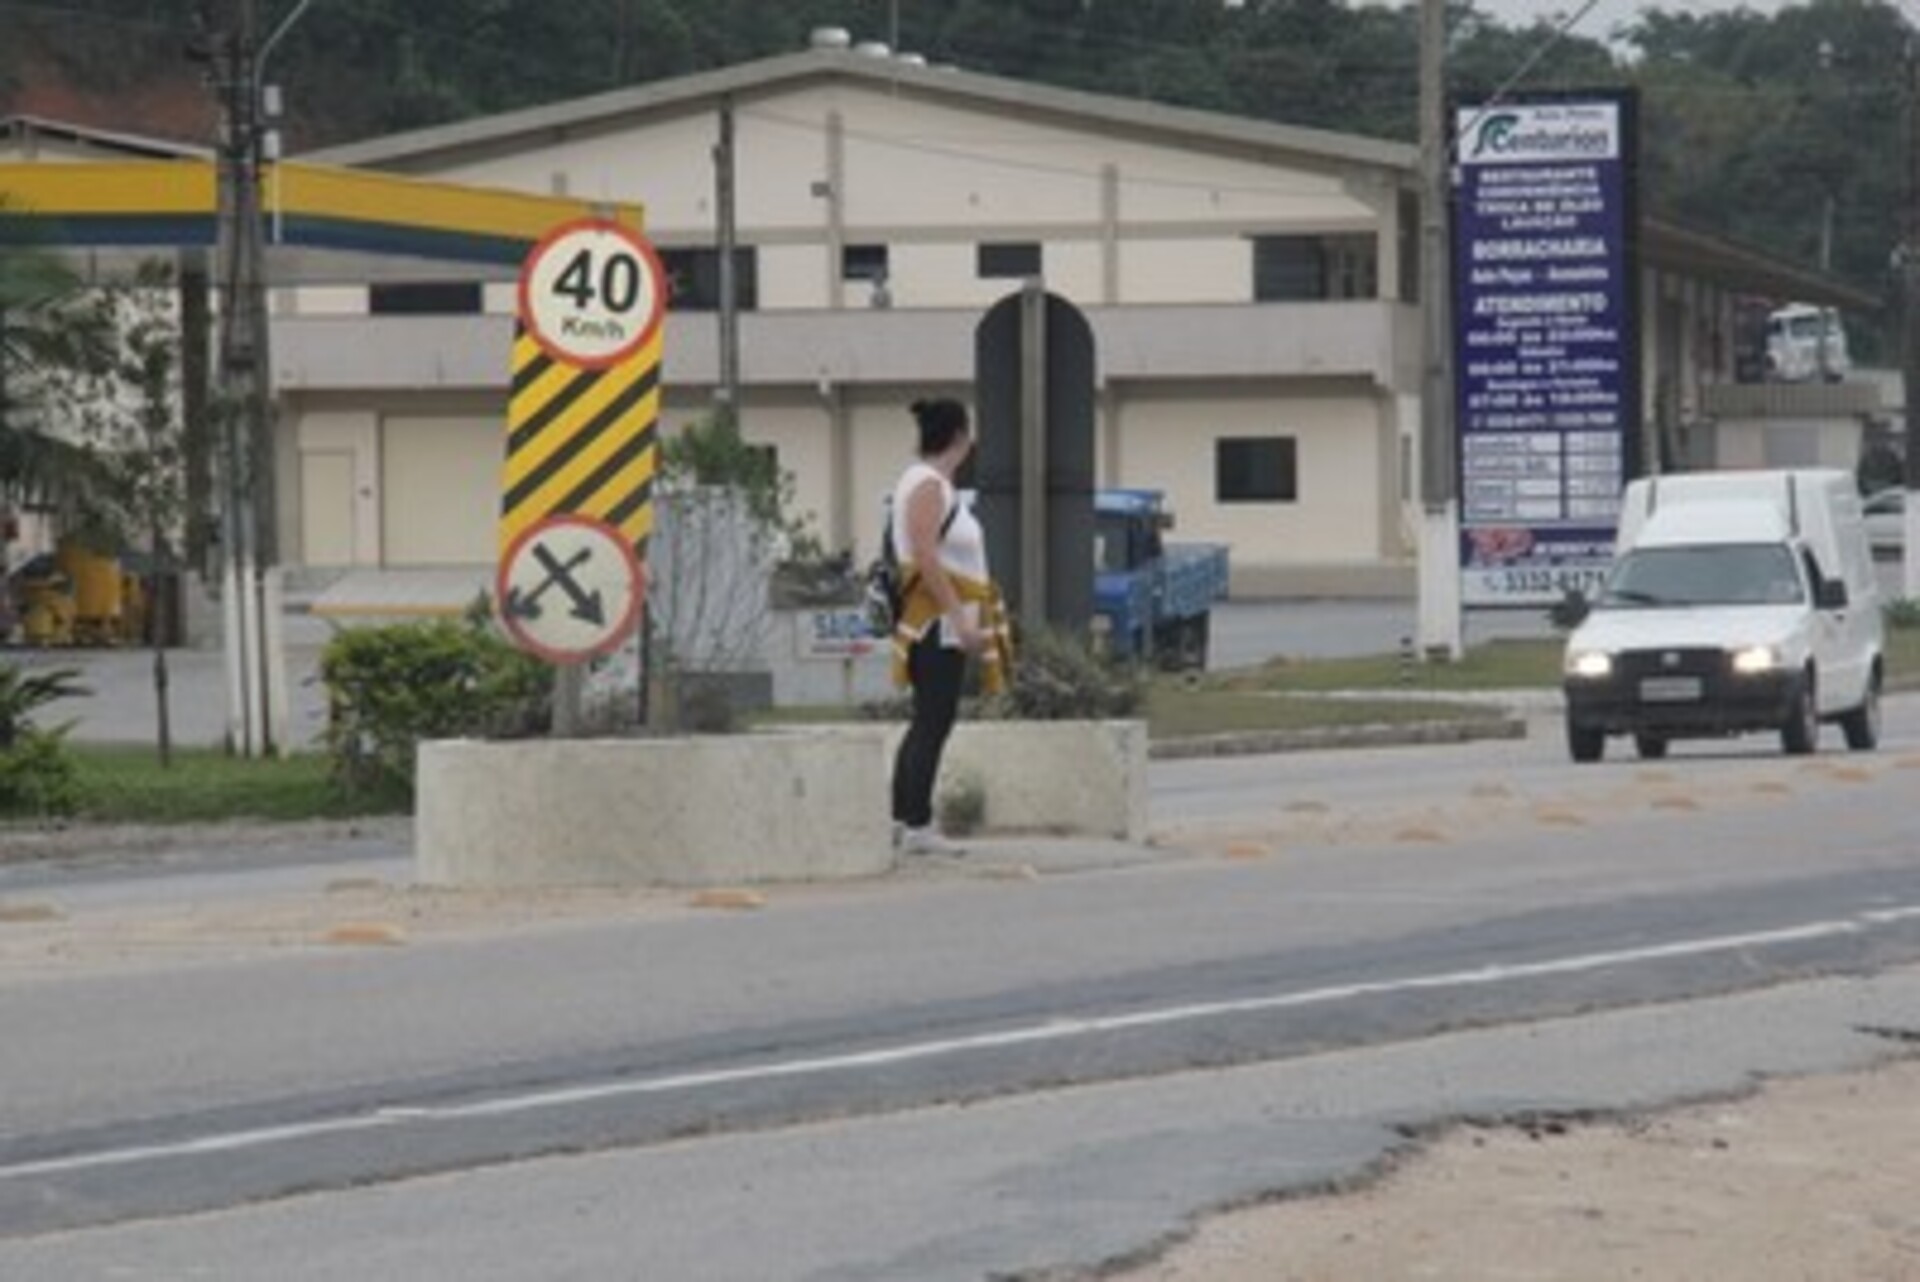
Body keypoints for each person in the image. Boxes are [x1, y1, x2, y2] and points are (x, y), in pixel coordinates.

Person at [887, 397, 1010, 855]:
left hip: (941, 620)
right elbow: (924, 553)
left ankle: (905, 818)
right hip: (936, 622)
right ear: (959, 437)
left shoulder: (930, 483)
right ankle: (915, 824)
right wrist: (958, 614)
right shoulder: (929, 486)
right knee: (933, 720)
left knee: (929, 720)